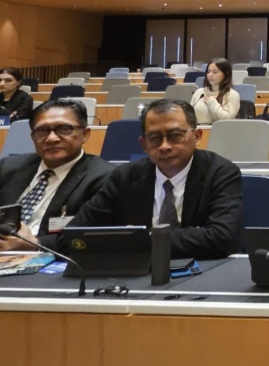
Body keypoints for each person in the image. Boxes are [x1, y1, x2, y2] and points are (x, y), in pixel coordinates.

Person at [61, 99, 243, 259]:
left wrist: (140, 239)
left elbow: (222, 238)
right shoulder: (125, 176)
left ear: (197, 136)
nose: (164, 146)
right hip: (135, 271)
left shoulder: (220, 172)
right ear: (144, 144)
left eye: (175, 136)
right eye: (154, 138)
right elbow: (73, 234)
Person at [0, 100, 114, 251]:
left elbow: (91, 236)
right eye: (42, 131)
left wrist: (35, 244)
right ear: (33, 137)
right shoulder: (8, 167)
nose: (51, 138)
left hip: (52, 257)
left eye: (64, 129)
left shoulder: (104, 177)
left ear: (85, 134)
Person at [191, 57, 240, 124]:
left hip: (221, 130)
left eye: (215, 72)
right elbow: (189, 115)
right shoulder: (199, 92)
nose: (210, 75)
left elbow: (227, 120)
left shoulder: (232, 95)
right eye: (208, 72)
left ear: (226, 74)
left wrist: (212, 102)